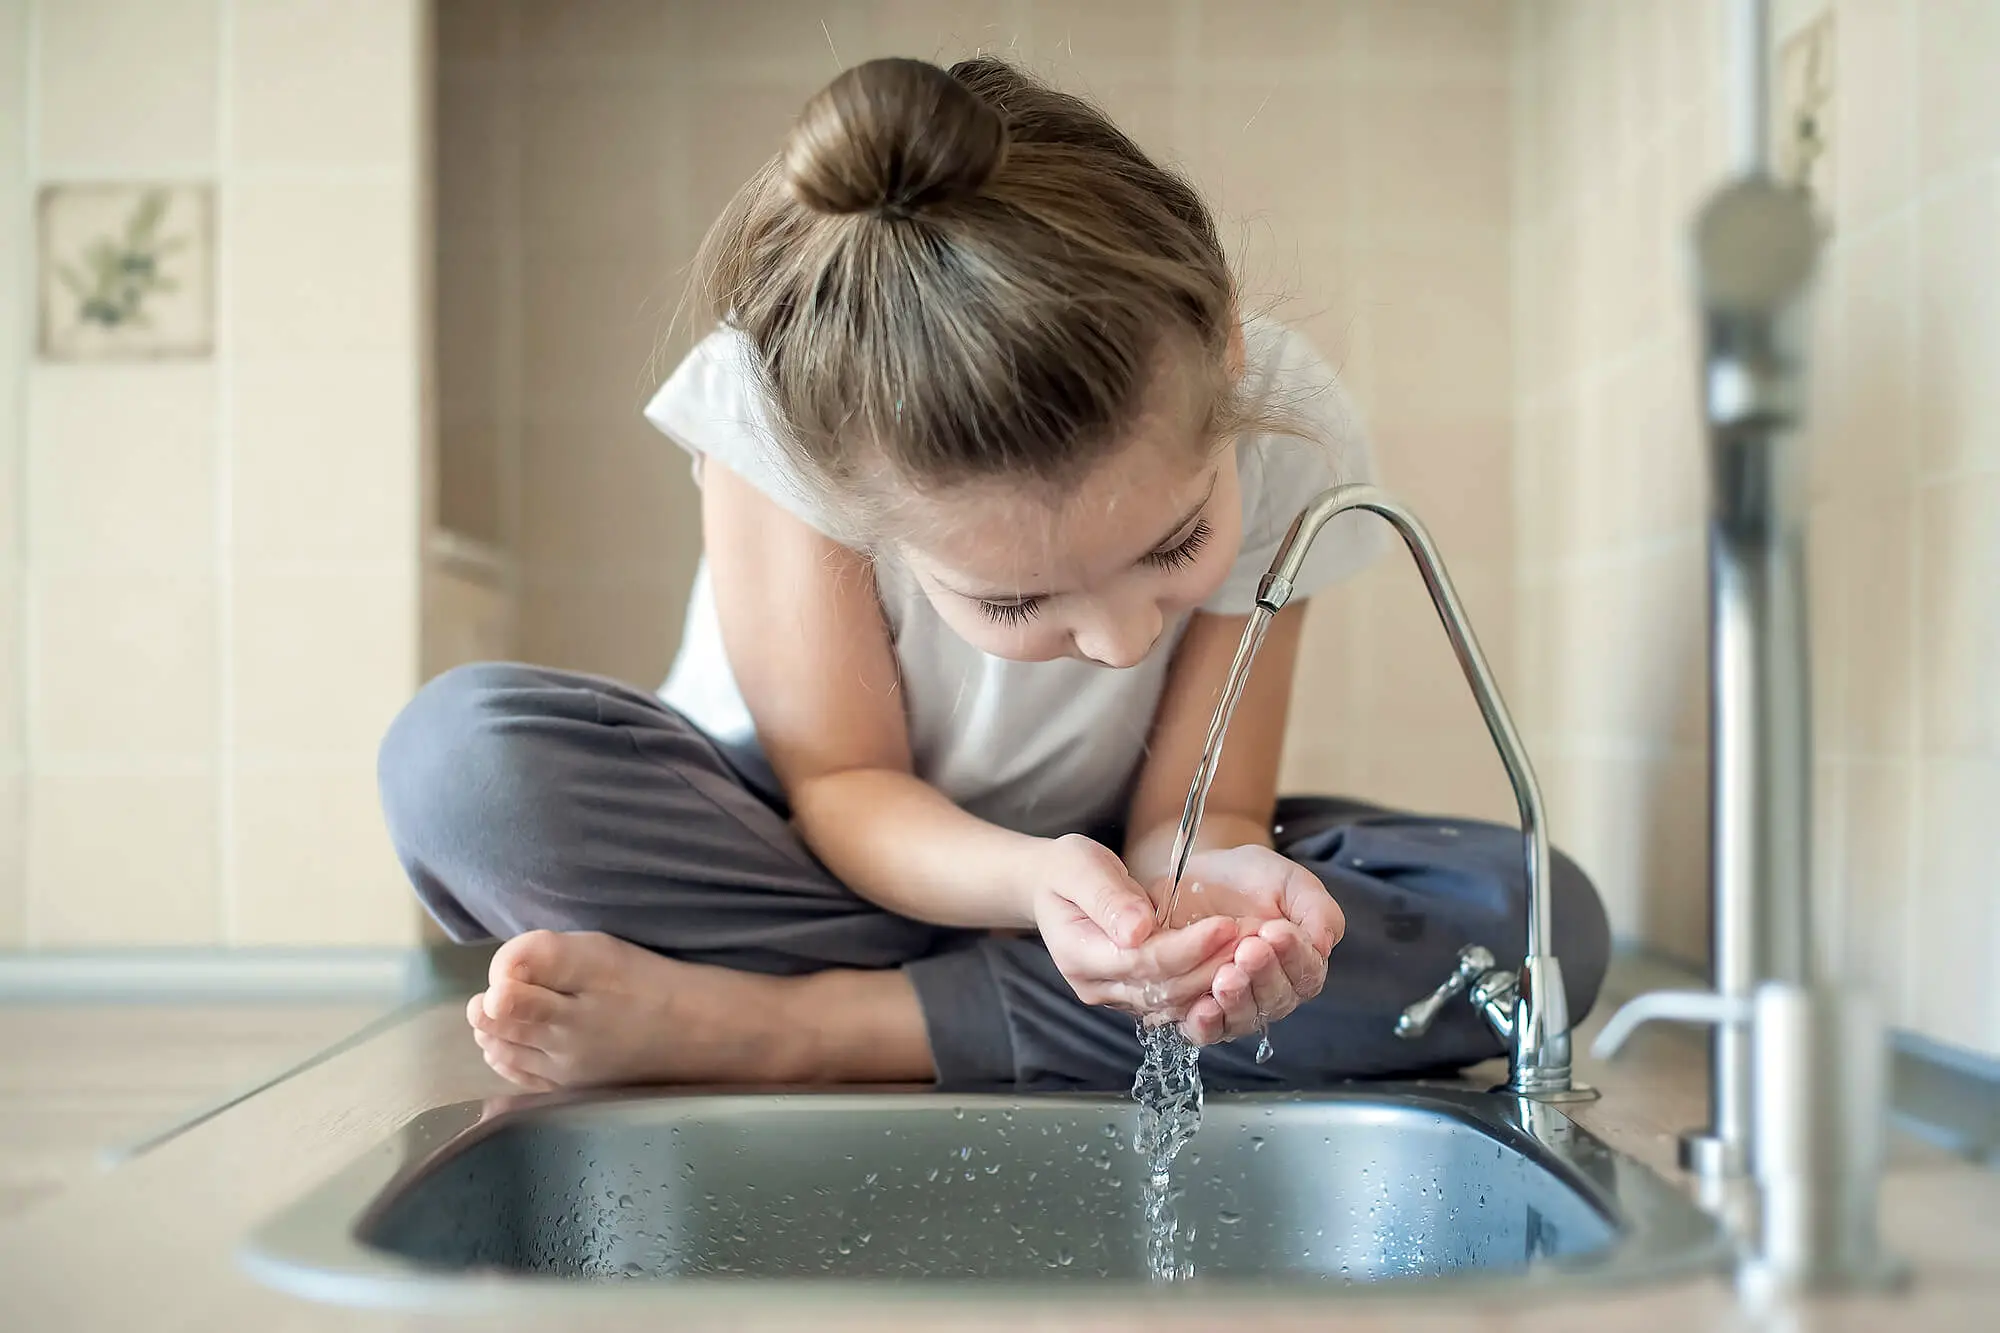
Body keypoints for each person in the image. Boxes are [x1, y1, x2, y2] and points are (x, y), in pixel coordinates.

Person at [378, 56, 1609, 1095]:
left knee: (1529, 921)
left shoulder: (1281, 419)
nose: (1125, 641)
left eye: (1173, 547)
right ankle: (980, 1009)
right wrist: (1033, 890)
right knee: (466, 768)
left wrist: (1196, 902)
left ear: (1225, 353)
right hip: (797, 852)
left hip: (1088, 873)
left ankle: (782, 1026)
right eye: (1017, 603)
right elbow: (845, 783)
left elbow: (1200, 817)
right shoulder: (776, 415)